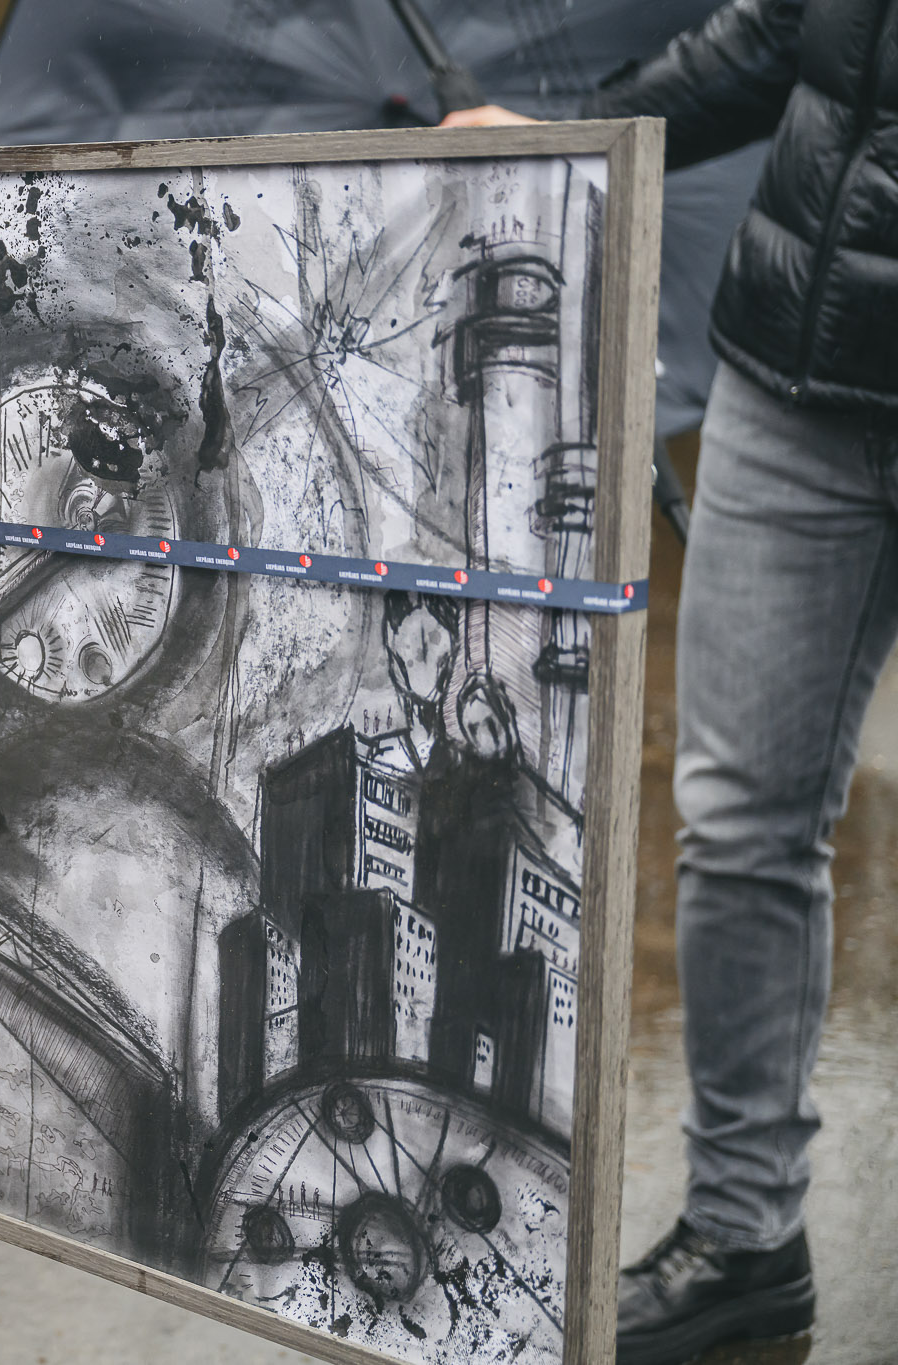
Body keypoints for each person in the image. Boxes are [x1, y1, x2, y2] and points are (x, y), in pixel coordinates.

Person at [447, 1, 898, 1361]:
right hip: (799, 361)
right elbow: (789, 32)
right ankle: (743, 1241)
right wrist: (579, 135)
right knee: (741, 817)